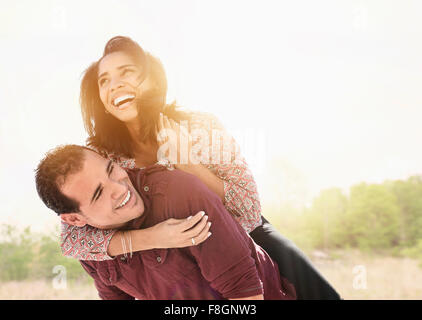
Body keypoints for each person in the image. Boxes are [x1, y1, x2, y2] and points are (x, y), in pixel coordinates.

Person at [61, 35, 340, 299]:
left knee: (320, 293)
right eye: (104, 80)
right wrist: (149, 238)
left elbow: (249, 211)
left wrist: (190, 166)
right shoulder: (100, 156)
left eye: (127, 72)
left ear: (153, 81)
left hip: (236, 237)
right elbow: (72, 240)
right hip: (162, 256)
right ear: (103, 103)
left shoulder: (201, 126)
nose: (115, 84)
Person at [35, 144, 297, 300]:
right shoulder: (90, 247)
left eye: (111, 169)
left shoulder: (181, 195)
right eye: (98, 193)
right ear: (74, 219)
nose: (118, 187)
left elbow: (245, 294)